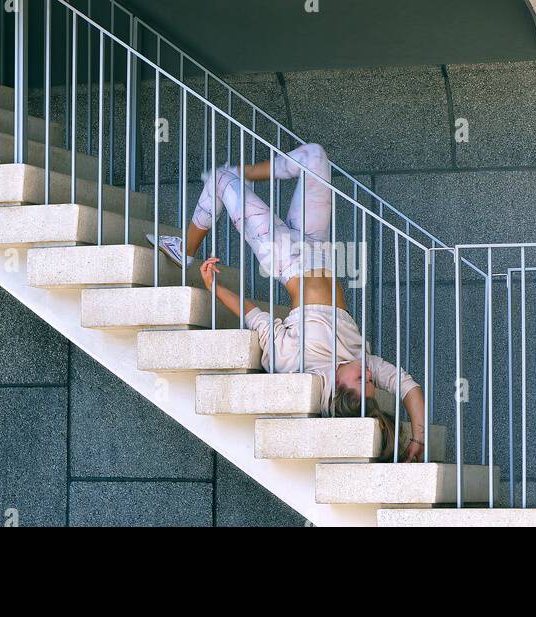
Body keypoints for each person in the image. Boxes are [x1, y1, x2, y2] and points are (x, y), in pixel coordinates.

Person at [149, 144, 426, 462]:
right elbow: (408, 387)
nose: (367, 373)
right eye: (372, 382)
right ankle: (242, 175)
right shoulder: (361, 359)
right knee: (315, 157)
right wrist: (417, 438)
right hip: (316, 246)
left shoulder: (296, 363)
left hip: (285, 257)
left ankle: (183, 249)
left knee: (221, 181)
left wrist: (216, 288)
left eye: (361, 379)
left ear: (336, 386)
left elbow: (259, 319)